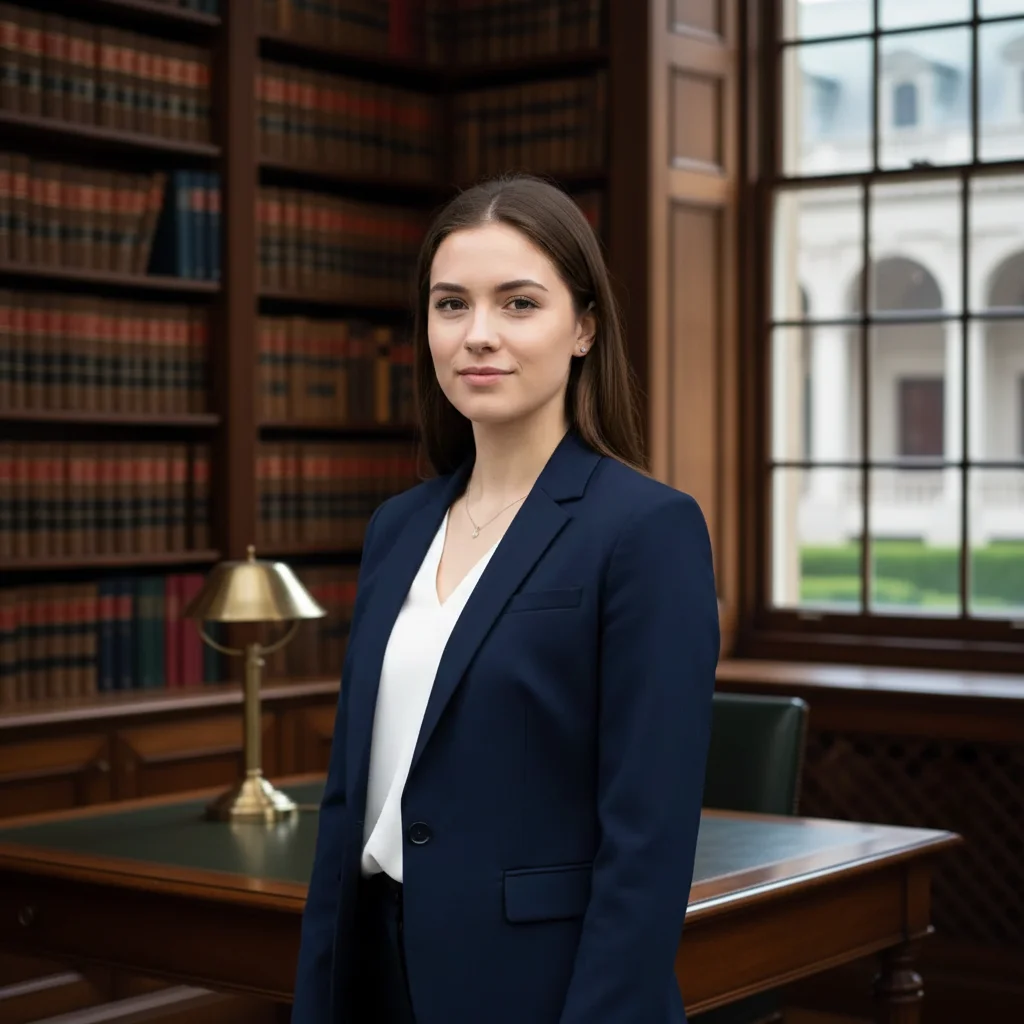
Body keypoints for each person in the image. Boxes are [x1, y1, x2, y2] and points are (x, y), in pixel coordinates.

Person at [292, 173, 720, 1024]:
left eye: (518, 304)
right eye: (451, 305)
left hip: (538, 985)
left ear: (585, 328)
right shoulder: (398, 527)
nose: (477, 336)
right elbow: (349, 803)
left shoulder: (647, 530)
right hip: (377, 971)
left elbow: (648, 842)